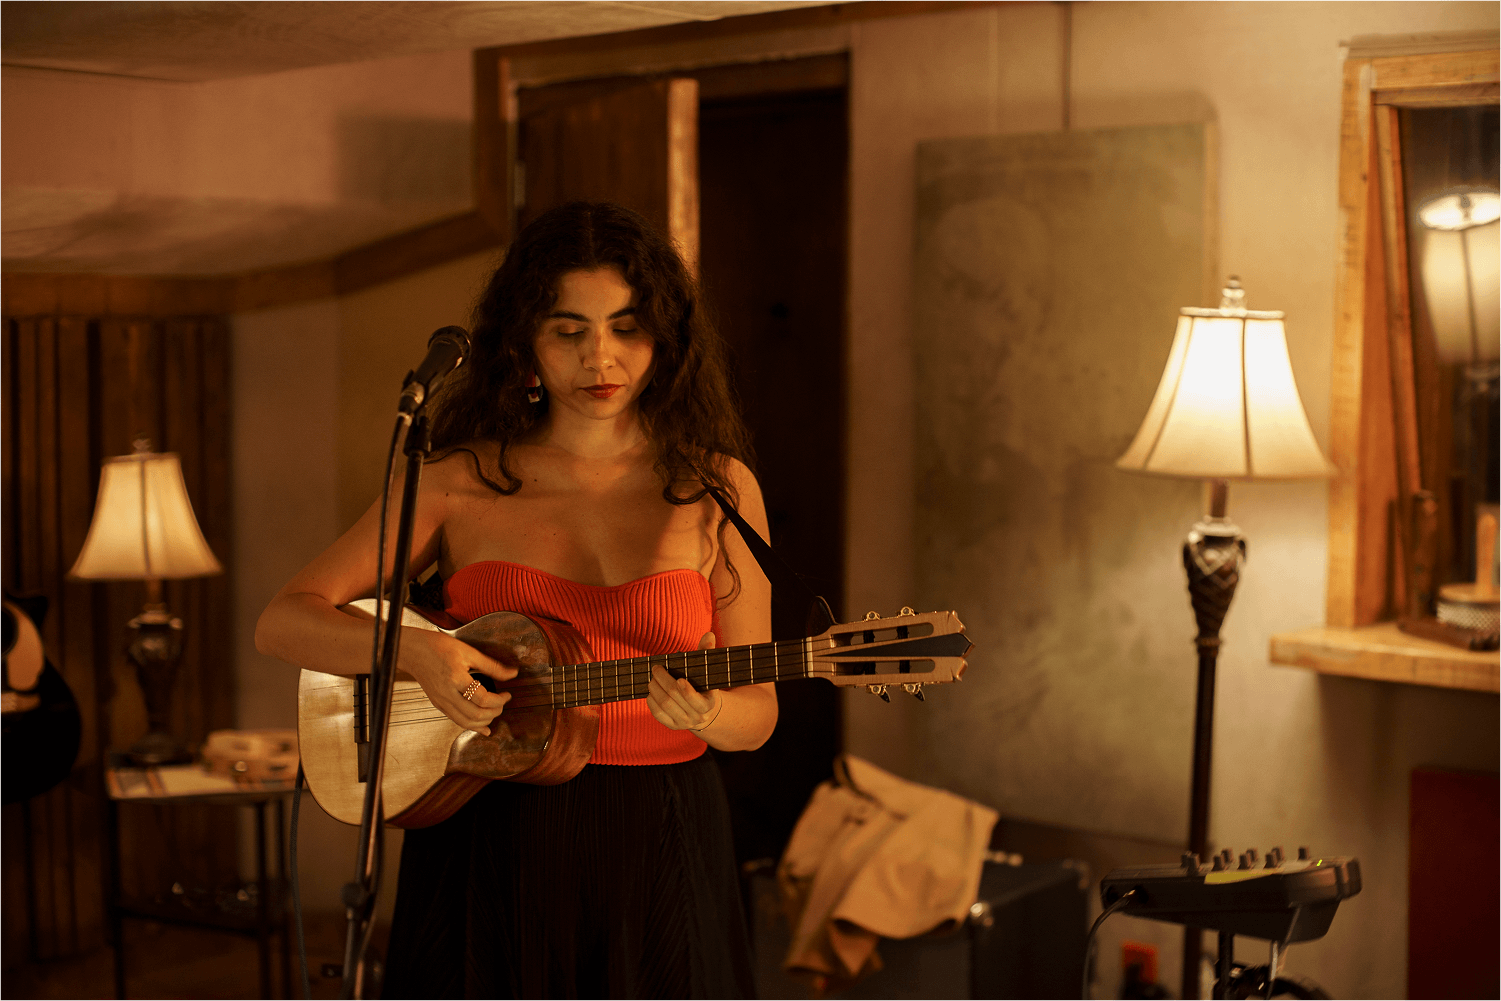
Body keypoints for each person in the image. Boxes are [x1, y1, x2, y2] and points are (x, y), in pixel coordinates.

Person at [255, 201, 775, 999]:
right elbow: (285, 619)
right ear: (524, 344)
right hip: (486, 825)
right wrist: (424, 654)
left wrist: (706, 713)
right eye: (568, 330)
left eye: (626, 326)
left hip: (661, 831)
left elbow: (759, 713)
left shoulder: (717, 485)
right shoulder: (454, 479)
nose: (600, 357)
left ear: (664, 340)